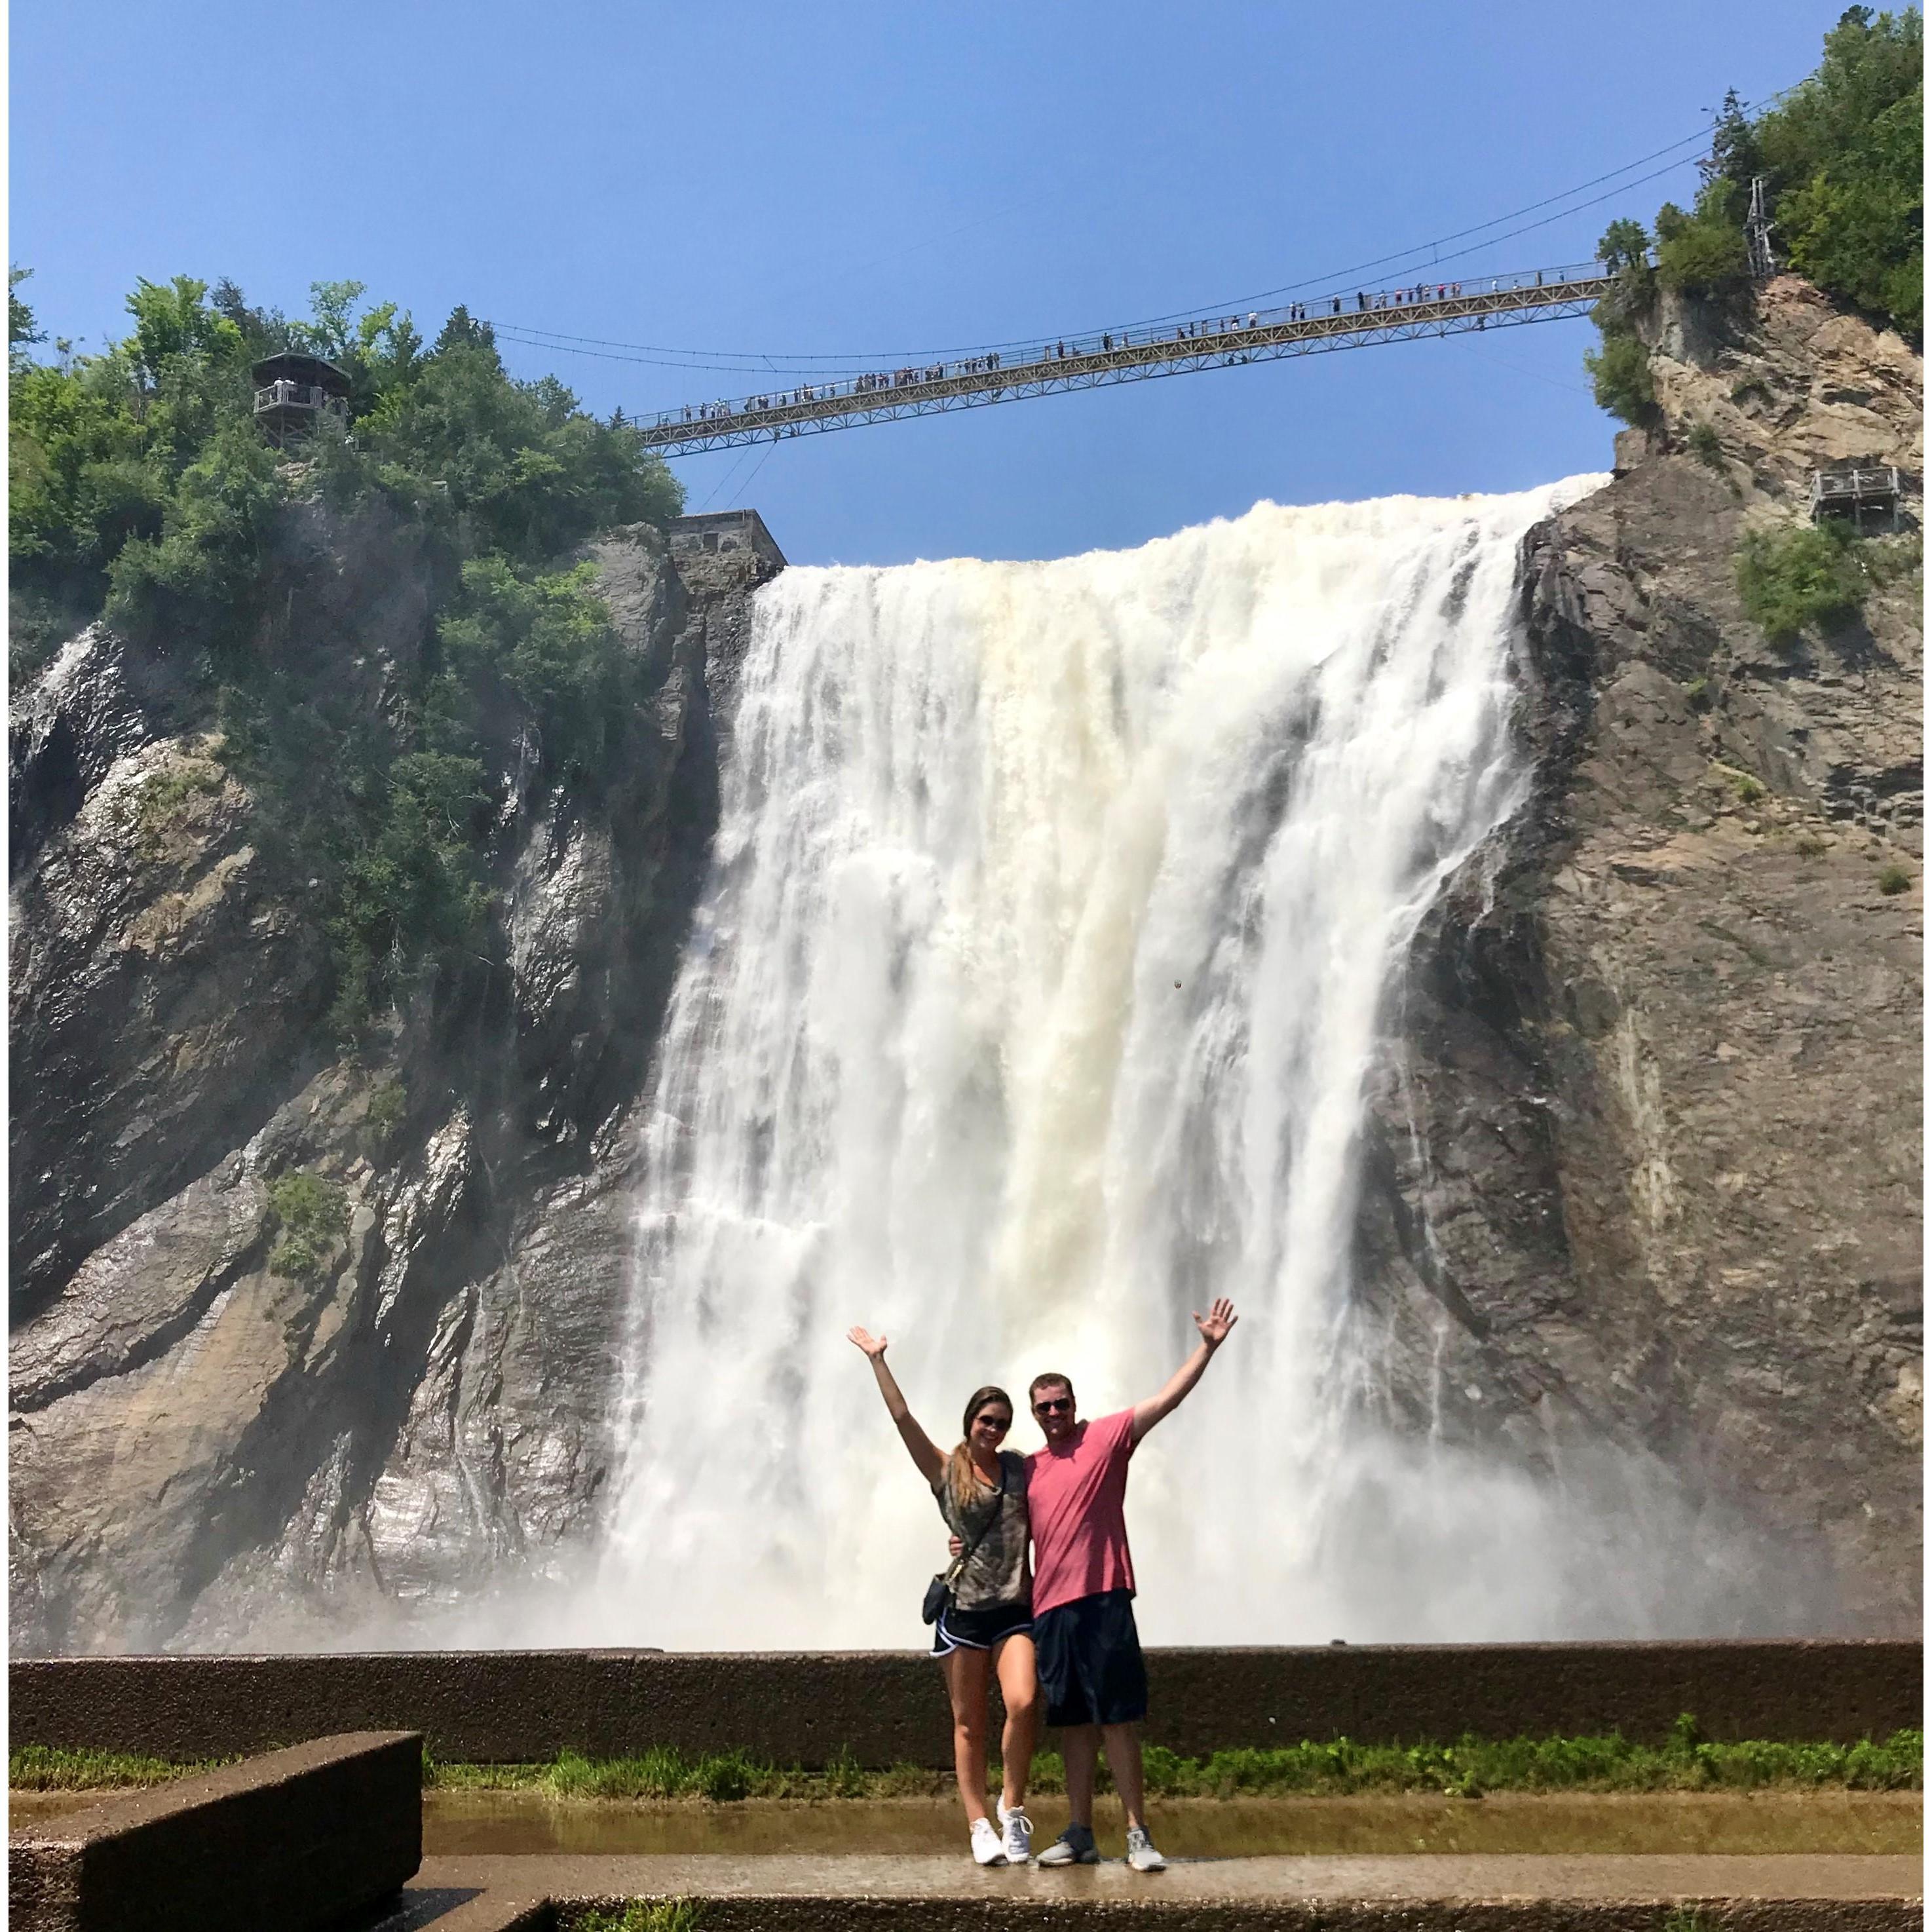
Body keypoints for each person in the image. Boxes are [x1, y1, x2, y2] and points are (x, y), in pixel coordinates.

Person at [1026, 1298, 1239, 1874]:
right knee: (1071, 1723)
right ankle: (1079, 1832)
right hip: (1050, 1608)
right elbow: (986, 1513)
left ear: (1074, 1404)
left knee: (1116, 1716)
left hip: (1103, 1595)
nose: (1053, 1412)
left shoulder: (1108, 1435)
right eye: (1044, 1406)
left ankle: (1137, 1831)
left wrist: (1208, 1347)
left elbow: (1167, 1398)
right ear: (1034, 1412)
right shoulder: (1029, 1467)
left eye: (1061, 1403)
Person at [849, 1327, 1039, 1868]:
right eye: (986, 1420)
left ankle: (1012, 1806)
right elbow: (902, 1419)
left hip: (1013, 1609)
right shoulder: (944, 1469)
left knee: (1023, 1702)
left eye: (1002, 1422)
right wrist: (878, 1361)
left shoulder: (1021, 1467)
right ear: (970, 1421)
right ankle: (977, 1821)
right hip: (963, 1614)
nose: (994, 1429)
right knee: (967, 1722)